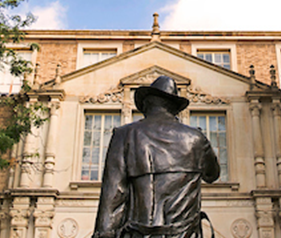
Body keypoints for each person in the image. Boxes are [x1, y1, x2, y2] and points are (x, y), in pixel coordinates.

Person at [93, 76, 220, 238]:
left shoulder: (124, 135)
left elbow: (113, 194)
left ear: (146, 105)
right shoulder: (196, 138)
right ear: (174, 108)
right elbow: (212, 174)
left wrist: (104, 233)